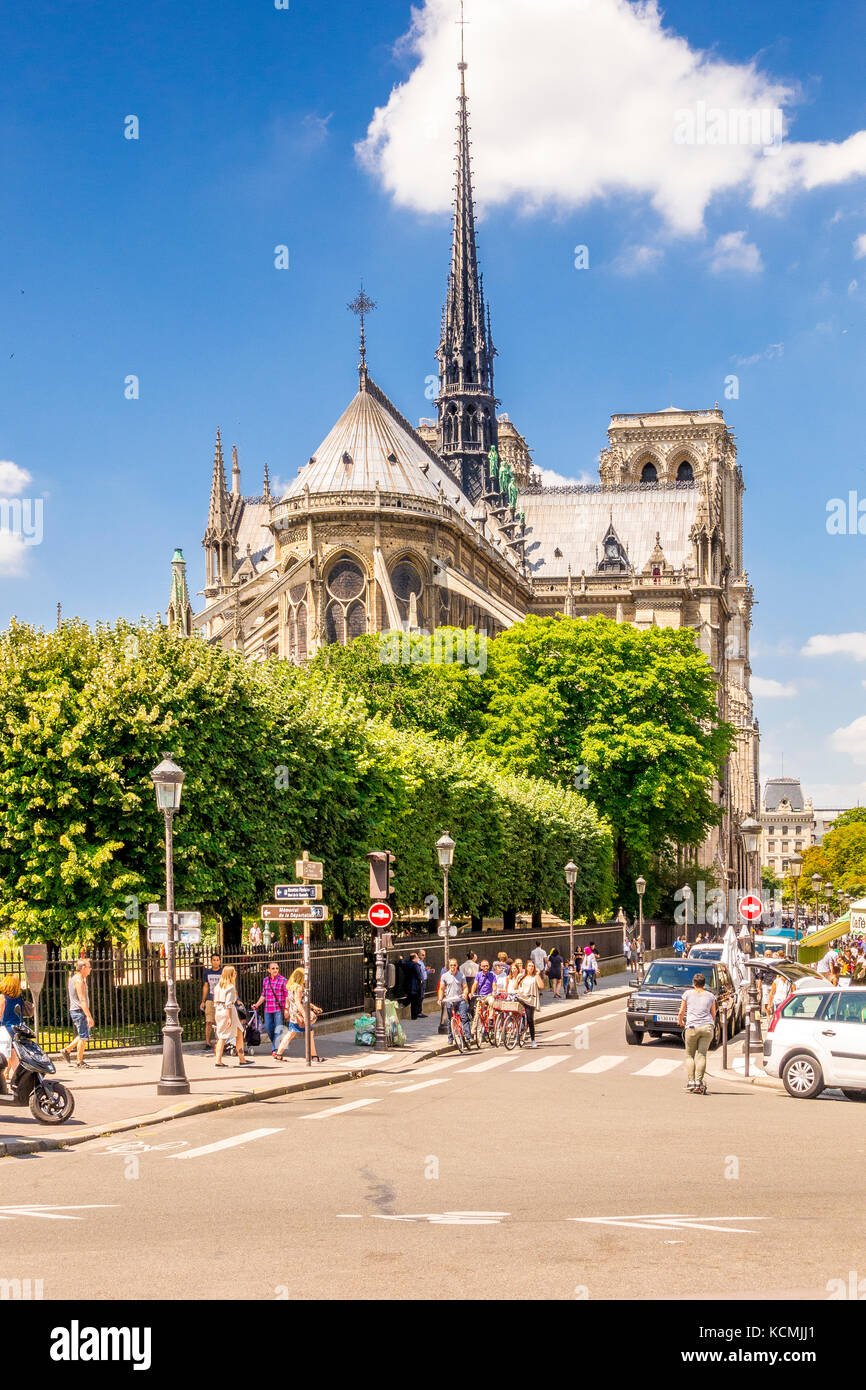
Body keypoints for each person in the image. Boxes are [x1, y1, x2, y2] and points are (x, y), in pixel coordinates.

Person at [676, 971, 717, 1092]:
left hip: (692, 1027)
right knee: (702, 1055)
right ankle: (699, 1082)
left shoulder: (687, 994)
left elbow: (681, 1012)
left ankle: (691, 1082)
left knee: (689, 1055)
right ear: (704, 984)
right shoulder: (710, 996)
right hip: (707, 1027)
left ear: (694, 983)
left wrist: (681, 1022)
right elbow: (713, 1013)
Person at [275, 968, 325, 1061]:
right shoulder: (299, 988)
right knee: (309, 1033)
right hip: (300, 1015)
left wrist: (313, 1007)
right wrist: (305, 1015)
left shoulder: (290, 986)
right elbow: (298, 1002)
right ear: (301, 977)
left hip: (294, 1015)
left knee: (291, 1034)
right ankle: (314, 1057)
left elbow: (299, 1001)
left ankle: (278, 1055)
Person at [213, 965, 251, 1067]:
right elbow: (229, 1004)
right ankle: (218, 1061)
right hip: (228, 1012)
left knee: (238, 1032)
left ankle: (242, 1059)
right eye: (234, 972)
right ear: (230, 974)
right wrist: (229, 1017)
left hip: (219, 1010)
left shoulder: (218, 986)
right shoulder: (230, 987)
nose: (236, 973)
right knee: (223, 1037)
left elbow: (215, 1001)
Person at [60, 958, 93, 1069]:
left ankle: (67, 1050)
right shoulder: (79, 980)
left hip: (78, 1011)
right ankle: (79, 1062)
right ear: (83, 968)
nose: (90, 969)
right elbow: (82, 999)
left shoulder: (76, 978)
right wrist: (88, 1016)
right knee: (84, 1037)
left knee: (84, 1034)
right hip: (79, 1011)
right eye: (89, 967)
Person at [253, 960, 288, 1057]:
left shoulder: (283, 980)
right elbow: (263, 995)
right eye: (273, 968)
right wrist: (257, 1004)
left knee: (278, 1029)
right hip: (268, 1009)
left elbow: (287, 996)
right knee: (268, 1028)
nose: (275, 970)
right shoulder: (265, 980)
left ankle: (275, 1049)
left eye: (277, 968)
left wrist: (286, 1009)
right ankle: (277, 1044)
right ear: (269, 970)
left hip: (278, 1009)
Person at [0, 974, 29, 1090]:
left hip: (6, 1029)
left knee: (7, 1055)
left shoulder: (3, 997)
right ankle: (17, 1080)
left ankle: (18, 1082)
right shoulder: (18, 997)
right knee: (12, 1055)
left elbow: (0, 1014)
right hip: (17, 1028)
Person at [438, 957, 471, 1046]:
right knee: (450, 1020)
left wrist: (465, 994)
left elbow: (465, 987)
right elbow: (441, 989)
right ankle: (450, 1038)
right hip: (450, 1000)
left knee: (464, 1017)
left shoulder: (461, 975)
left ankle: (468, 1036)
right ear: (449, 966)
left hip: (460, 999)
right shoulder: (445, 976)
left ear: (457, 965)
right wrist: (440, 999)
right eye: (451, 965)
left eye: (454, 965)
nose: (453, 966)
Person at [515, 959, 541, 1047]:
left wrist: (538, 975)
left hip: (530, 1000)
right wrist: (516, 978)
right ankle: (518, 1028)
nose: (531, 968)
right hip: (521, 998)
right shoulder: (521, 976)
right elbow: (515, 987)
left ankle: (533, 1040)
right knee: (517, 1013)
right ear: (526, 967)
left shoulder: (535, 977)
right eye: (529, 966)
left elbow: (541, 986)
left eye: (532, 966)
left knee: (530, 1020)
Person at [199, 952, 223, 1051]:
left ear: (220, 961)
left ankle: (219, 1042)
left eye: (217, 960)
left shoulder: (223, 972)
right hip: (210, 998)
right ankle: (208, 1043)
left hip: (221, 999)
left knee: (220, 1022)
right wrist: (203, 1001)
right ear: (211, 961)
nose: (216, 962)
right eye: (214, 960)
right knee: (209, 1021)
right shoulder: (207, 972)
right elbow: (205, 986)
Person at [470, 958, 496, 1041]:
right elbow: (475, 984)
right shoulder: (478, 975)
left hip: (489, 995)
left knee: (492, 1001)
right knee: (477, 1014)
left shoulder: (492, 975)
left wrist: (494, 991)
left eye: (487, 966)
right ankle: (473, 1032)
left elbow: (494, 985)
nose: (486, 967)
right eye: (484, 966)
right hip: (480, 996)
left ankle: (490, 1019)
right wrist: (471, 993)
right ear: (481, 967)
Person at [408, 952, 426, 1020]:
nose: (418, 959)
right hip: (416, 985)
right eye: (417, 957)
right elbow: (419, 973)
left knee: (414, 1000)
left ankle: (415, 1014)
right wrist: (421, 979)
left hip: (411, 985)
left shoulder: (408, 964)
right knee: (416, 999)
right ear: (415, 958)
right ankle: (416, 1014)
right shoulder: (416, 965)